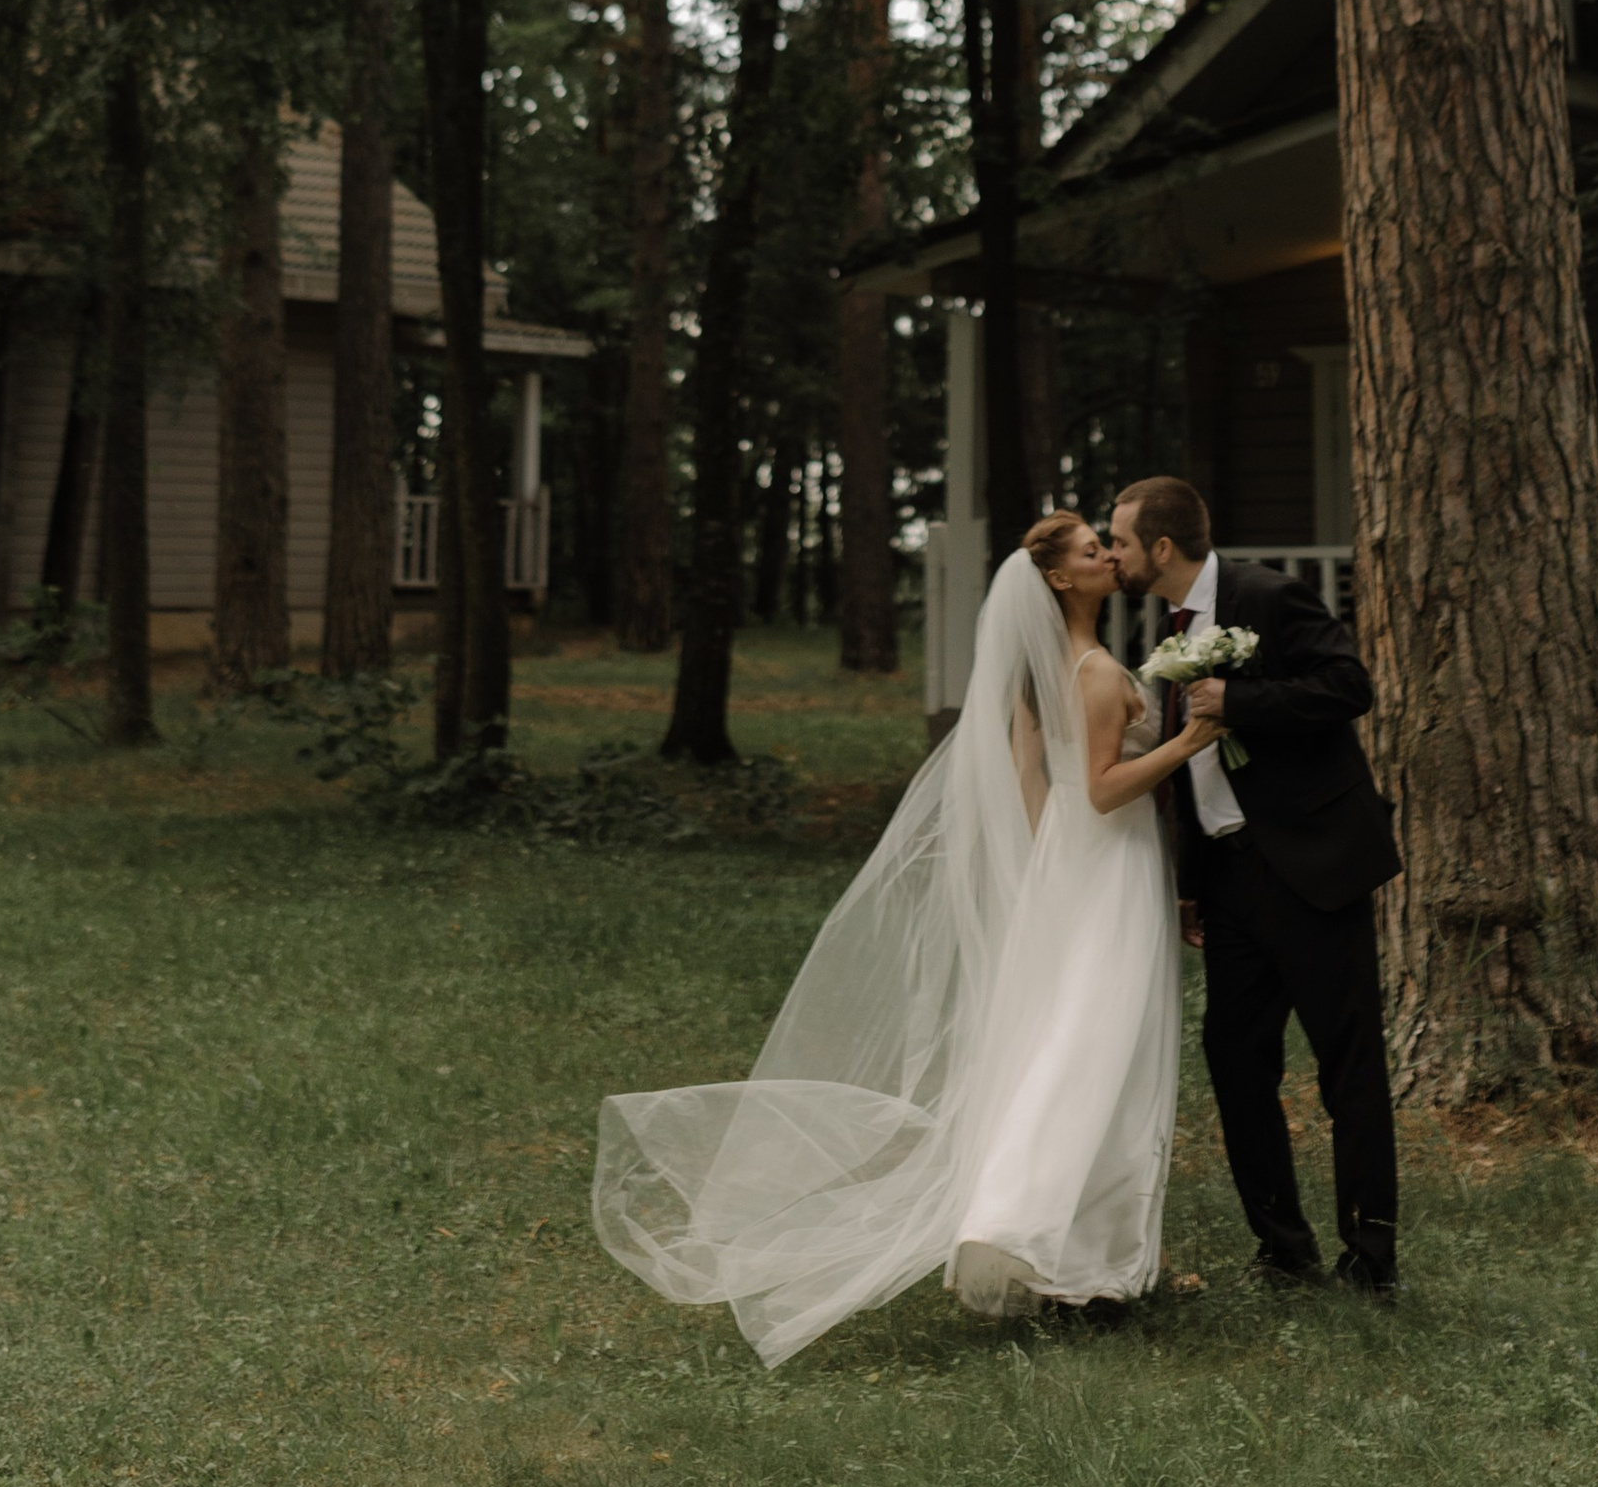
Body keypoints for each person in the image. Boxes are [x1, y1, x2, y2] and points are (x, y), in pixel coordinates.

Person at [591, 511, 1218, 1367]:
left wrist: (1046, 872)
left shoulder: (1049, 675)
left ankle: (1079, 1252)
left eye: (1107, 543)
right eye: (1089, 550)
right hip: (1106, 871)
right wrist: (1189, 739)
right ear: (1062, 582)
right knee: (1097, 1055)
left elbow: (1036, 779)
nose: (1109, 555)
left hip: (1079, 873)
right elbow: (1106, 791)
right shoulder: (1100, 672)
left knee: (1076, 1049)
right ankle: (1035, 1236)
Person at [1107, 474, 1402, 1297]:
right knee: (1236, 1062)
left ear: (1161, 547)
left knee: (1347, 1065)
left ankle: (1369, 1259)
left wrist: (1242, 697)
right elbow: (1196, 768)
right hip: (1230, 878)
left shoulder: (1267, 596)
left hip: (1312, 867)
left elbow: (1350, 687)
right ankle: (1283, 1250)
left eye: (1121, 542)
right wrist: (1192, 883)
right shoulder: (1169, 628)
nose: (1115, 555)